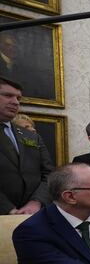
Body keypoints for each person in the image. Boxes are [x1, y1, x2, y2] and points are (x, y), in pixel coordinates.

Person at [0, 77, 52, 215]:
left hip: (33, 214)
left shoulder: (30, 135)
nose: (15, 102)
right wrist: (8, 209)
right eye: (8, 95)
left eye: (18, 98)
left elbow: (48, 173)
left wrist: (36, 202)